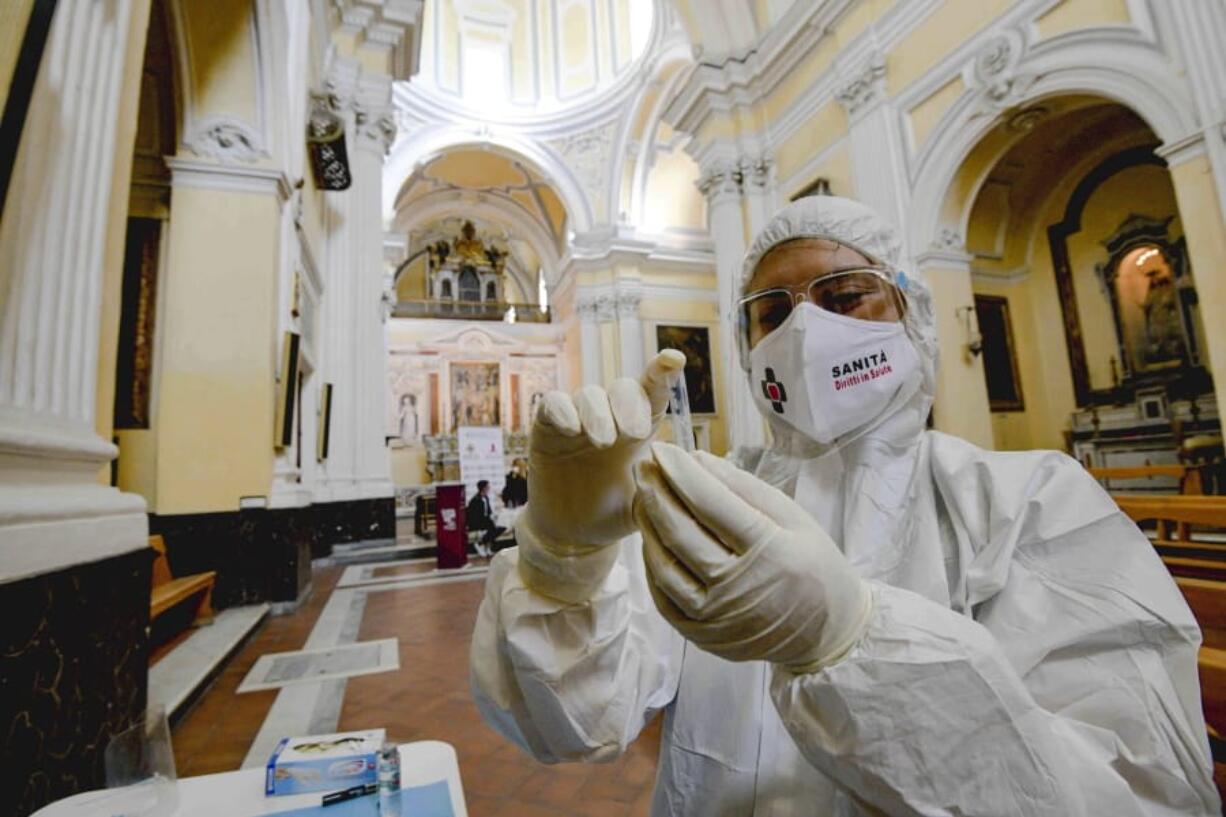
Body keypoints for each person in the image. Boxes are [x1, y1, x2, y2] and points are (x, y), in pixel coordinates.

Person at [470, 197, 1220, 815]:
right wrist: (564, 562)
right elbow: (572, 724)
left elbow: (1142, 792)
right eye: (772, 311)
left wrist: (851, 637)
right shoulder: (713, 499)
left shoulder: (1027, 501)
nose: (803, 330)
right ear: (747, 343)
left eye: (841, 296)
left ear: (911, 312)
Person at [465, 480, 504, 558]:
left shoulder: (486, 497)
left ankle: (486, 547)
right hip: (478, 521)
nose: (489, 488)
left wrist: (493, 517)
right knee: (491, 528)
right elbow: (473, 515)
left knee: (499, 528)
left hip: (486, 520)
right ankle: (480, 544)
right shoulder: (475, 500)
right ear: (483, 488)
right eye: (487, 487)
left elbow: (488, 511)